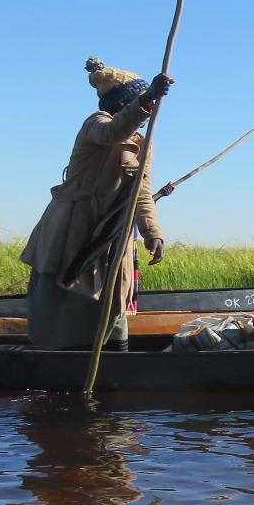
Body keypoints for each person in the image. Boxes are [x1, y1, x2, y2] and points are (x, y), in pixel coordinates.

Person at [20, 57, 172, 349]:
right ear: (123, 103)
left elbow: (141, 193)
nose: (150, 108)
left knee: (112, 298)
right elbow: (112, 133)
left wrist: (153, 233)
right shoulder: (96, 124)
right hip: (73, 231)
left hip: (111, 235)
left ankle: (111, 356)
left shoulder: (143, 143)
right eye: (140, 101)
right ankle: (53, 357)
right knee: (65, 299)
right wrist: (148, 96)